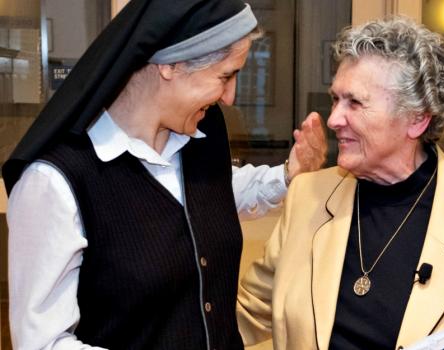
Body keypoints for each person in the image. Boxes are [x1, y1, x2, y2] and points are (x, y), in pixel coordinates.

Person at [3, 0, 325, 349]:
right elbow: (43, 343)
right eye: (226, 76)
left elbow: (212, 192)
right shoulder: (54, 182)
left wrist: (289, 175)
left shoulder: (202, 132)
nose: (230, 97)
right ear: (172, 65)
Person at [236, 17, 444, 350]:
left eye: (355, 102)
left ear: (417, 119)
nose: (334, 119)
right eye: (335, 99)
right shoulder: (308, 197)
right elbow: (248, 311)